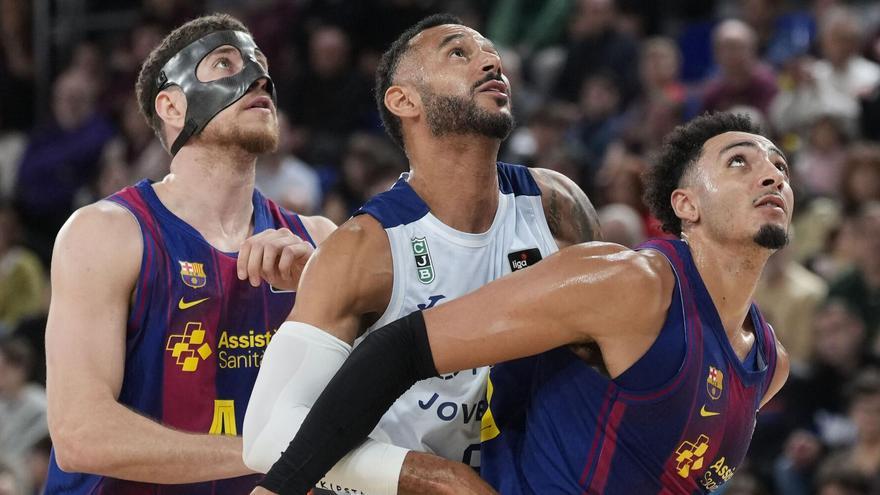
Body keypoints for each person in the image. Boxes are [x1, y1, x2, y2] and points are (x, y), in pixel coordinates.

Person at [255, 112, 793, 494]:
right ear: (686, 205)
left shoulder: (770, 364)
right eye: (739, 163)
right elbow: (402, 348)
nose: (772, 175)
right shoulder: (629, 285)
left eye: (780, 169)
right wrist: (283, 487)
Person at [243, 13, 599, 495]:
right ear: (403, 99)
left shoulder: (556, 205)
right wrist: (440, 478)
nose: (491, 61)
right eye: (459, 52)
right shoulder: (364, 248)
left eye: (492, 53)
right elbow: (265, 438)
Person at [44, 14, 335, 494]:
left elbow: (375, 398)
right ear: (172, 105)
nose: (259, 77)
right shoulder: (105, 233)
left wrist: (322, 290)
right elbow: (81, 436)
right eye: (226, 63)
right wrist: (269, 452)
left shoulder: (317, 240)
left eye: (261, 65)